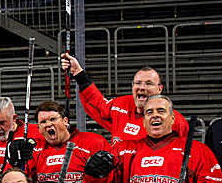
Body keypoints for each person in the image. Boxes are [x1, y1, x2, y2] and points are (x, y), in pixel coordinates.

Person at [84, 94, 222, 183]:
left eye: (161, 111)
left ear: (172, 118)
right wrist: (94, 172)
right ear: (144, 121)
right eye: (149, 112)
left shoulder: (196, 150)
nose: (155, 115)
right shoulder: (122, 150)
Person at [60, 54, 189, 145]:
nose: (142, 88)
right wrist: (78, 73)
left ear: (160, 89)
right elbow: (97, 103)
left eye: (149, 84)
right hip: (121, 179)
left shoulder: (175, 121)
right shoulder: (121, 105)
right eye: (138, 83)